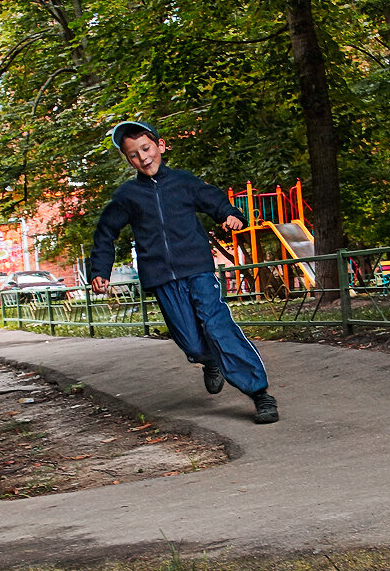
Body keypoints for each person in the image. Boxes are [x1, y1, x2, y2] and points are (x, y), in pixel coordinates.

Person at [88, 120, 279, 424]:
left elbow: (213, 199)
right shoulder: (128, 196)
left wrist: (230, 213)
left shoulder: (183, 182)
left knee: (218, 326)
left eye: (146, 148)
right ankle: (210, 361)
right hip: (162, 278)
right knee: (190, 341)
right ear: (128, 160)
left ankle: (260, 394)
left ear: (160, 146)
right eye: (134, 155)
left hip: (198, 269)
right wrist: (100, 269)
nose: (143, 157)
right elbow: (105, 232)